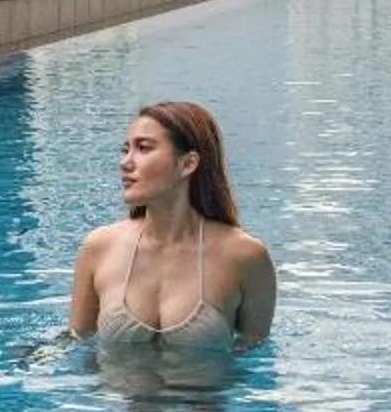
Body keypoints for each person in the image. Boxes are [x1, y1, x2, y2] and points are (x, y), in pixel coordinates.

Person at [67, 100, 275, 374]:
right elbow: (78, 345)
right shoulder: (99, 247)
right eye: (125, 149)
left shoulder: (245, 256)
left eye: (143, 148)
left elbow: (256, 361)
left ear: (188, 163)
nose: (126, 162)